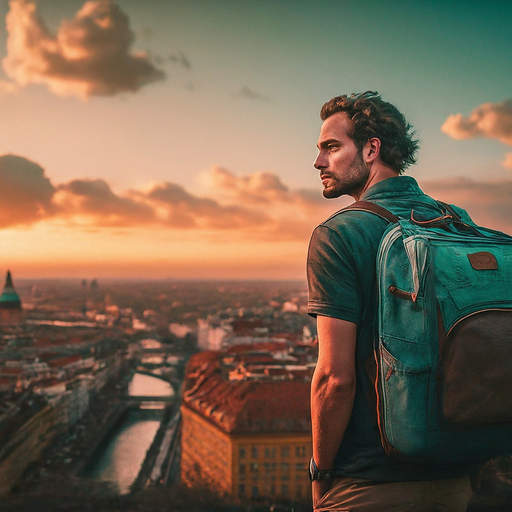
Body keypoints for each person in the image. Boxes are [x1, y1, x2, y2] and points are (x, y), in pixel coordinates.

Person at [307, 92, 476, 512]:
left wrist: (321, 473)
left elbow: (334, 379)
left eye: (331, 147)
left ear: (371, 148)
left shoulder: (339, 234)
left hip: (369, 483)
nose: (318, 163)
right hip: (460, 476)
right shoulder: (458, 221)